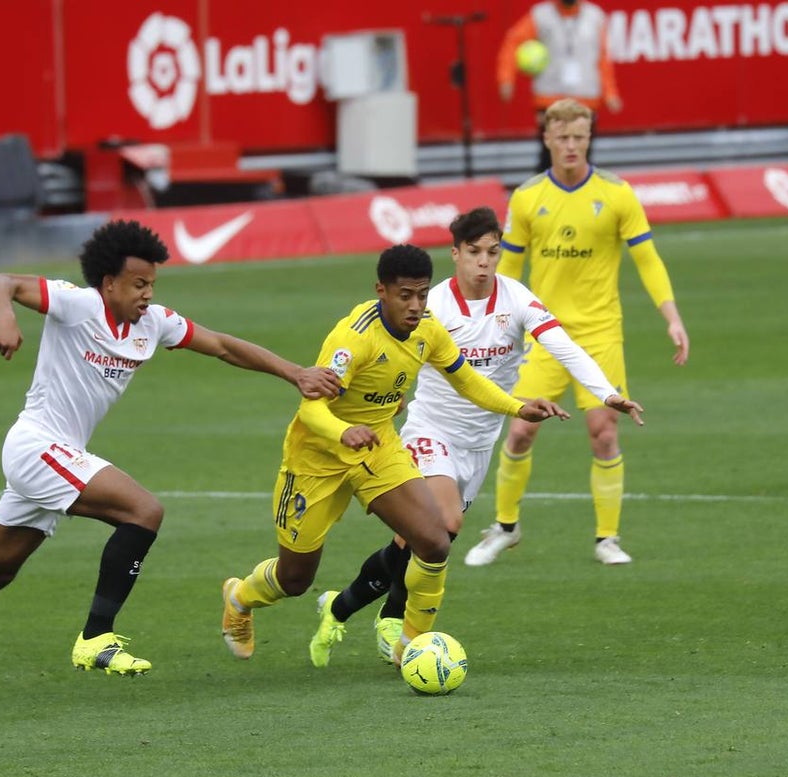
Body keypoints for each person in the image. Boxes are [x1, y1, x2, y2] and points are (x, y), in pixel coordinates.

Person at [0, 219, 340, 694]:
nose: (147, 294)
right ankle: (96, 637)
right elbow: (1, 283)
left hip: (59, 453)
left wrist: (295, 372)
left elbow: (222, 346)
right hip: (37, 445)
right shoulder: (76, 305)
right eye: (139, 284)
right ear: (109, 282)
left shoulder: (153, 323)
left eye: (152, 284)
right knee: (144, 510)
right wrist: (5, 317)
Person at [308, 207, 644, 667]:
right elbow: (393, 353)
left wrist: (607, 394)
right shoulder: (434, 305)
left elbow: (562, 345)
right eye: (474, 252)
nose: (485, 262)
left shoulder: (518, 299)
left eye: (493, 251)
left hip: (480, 443)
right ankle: (407, 640)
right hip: (431, 431)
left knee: (416, 542)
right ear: (456, 254)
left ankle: (341, 607)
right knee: (445, 525)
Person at [220, 243, 570, 668]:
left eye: (422, 294)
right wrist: (344, 430)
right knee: (295, 579)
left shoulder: (427, 329)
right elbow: (311, 408)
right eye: (405, 295)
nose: (416, 305)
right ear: (381, 290)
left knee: (434, 541)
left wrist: (518, 406)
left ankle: (413, 647)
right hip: (316, 458)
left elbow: (467, 380)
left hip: (376, 448)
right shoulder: (353, 339)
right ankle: (239, 597)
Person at [465, 98, 689, 569]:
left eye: (580, 137)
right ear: (547, 139)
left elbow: (647, 258)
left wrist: (671, 316)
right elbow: (508, 267)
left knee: (603, 431)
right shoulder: (527, 198)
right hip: (543, 332)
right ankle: (505, 527)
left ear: (590, 138)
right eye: (562, 137)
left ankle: (607, 538)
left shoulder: (617, 194)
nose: (571, 146)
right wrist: (489, 321)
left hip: (600, 331)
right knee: (522, 429)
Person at [496, 0, 622, 172]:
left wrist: (610, 93)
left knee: (582, 157)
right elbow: (513, 42)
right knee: (550, 156)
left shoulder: (595, 16)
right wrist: (506, 79)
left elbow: (603, 58)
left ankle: (578, 196)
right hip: (550, 98)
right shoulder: (540, 15)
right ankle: (542, 197)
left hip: (585, 98)